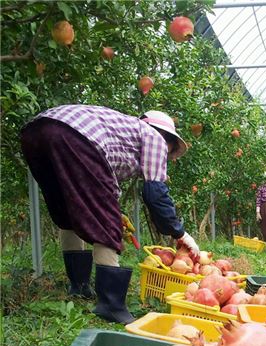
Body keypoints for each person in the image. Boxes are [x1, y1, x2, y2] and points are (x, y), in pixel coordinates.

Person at [20, 105, 199, 325]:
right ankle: (111, 305)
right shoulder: (155, 137)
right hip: (74, 136)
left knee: (68, 211)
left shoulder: (120, 133)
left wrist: (112, 208)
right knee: (106, 223)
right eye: (171, 151)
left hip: (35, 134)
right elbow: (155, 194)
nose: (168, 156)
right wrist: (179, 232)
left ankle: (79, 287)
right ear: (168, 139)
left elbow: (99, 185)